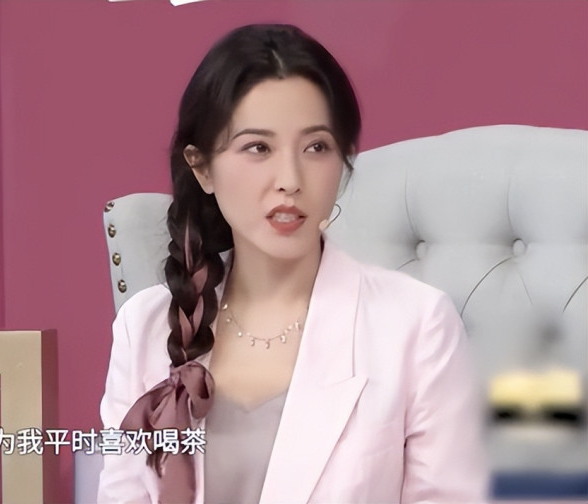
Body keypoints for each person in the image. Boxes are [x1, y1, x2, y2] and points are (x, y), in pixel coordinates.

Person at [98, 24, 487, 503]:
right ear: (202, 167)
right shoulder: (144, 327)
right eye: (258, 148)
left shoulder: (417, 326)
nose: (290, 179)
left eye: (316, 147)